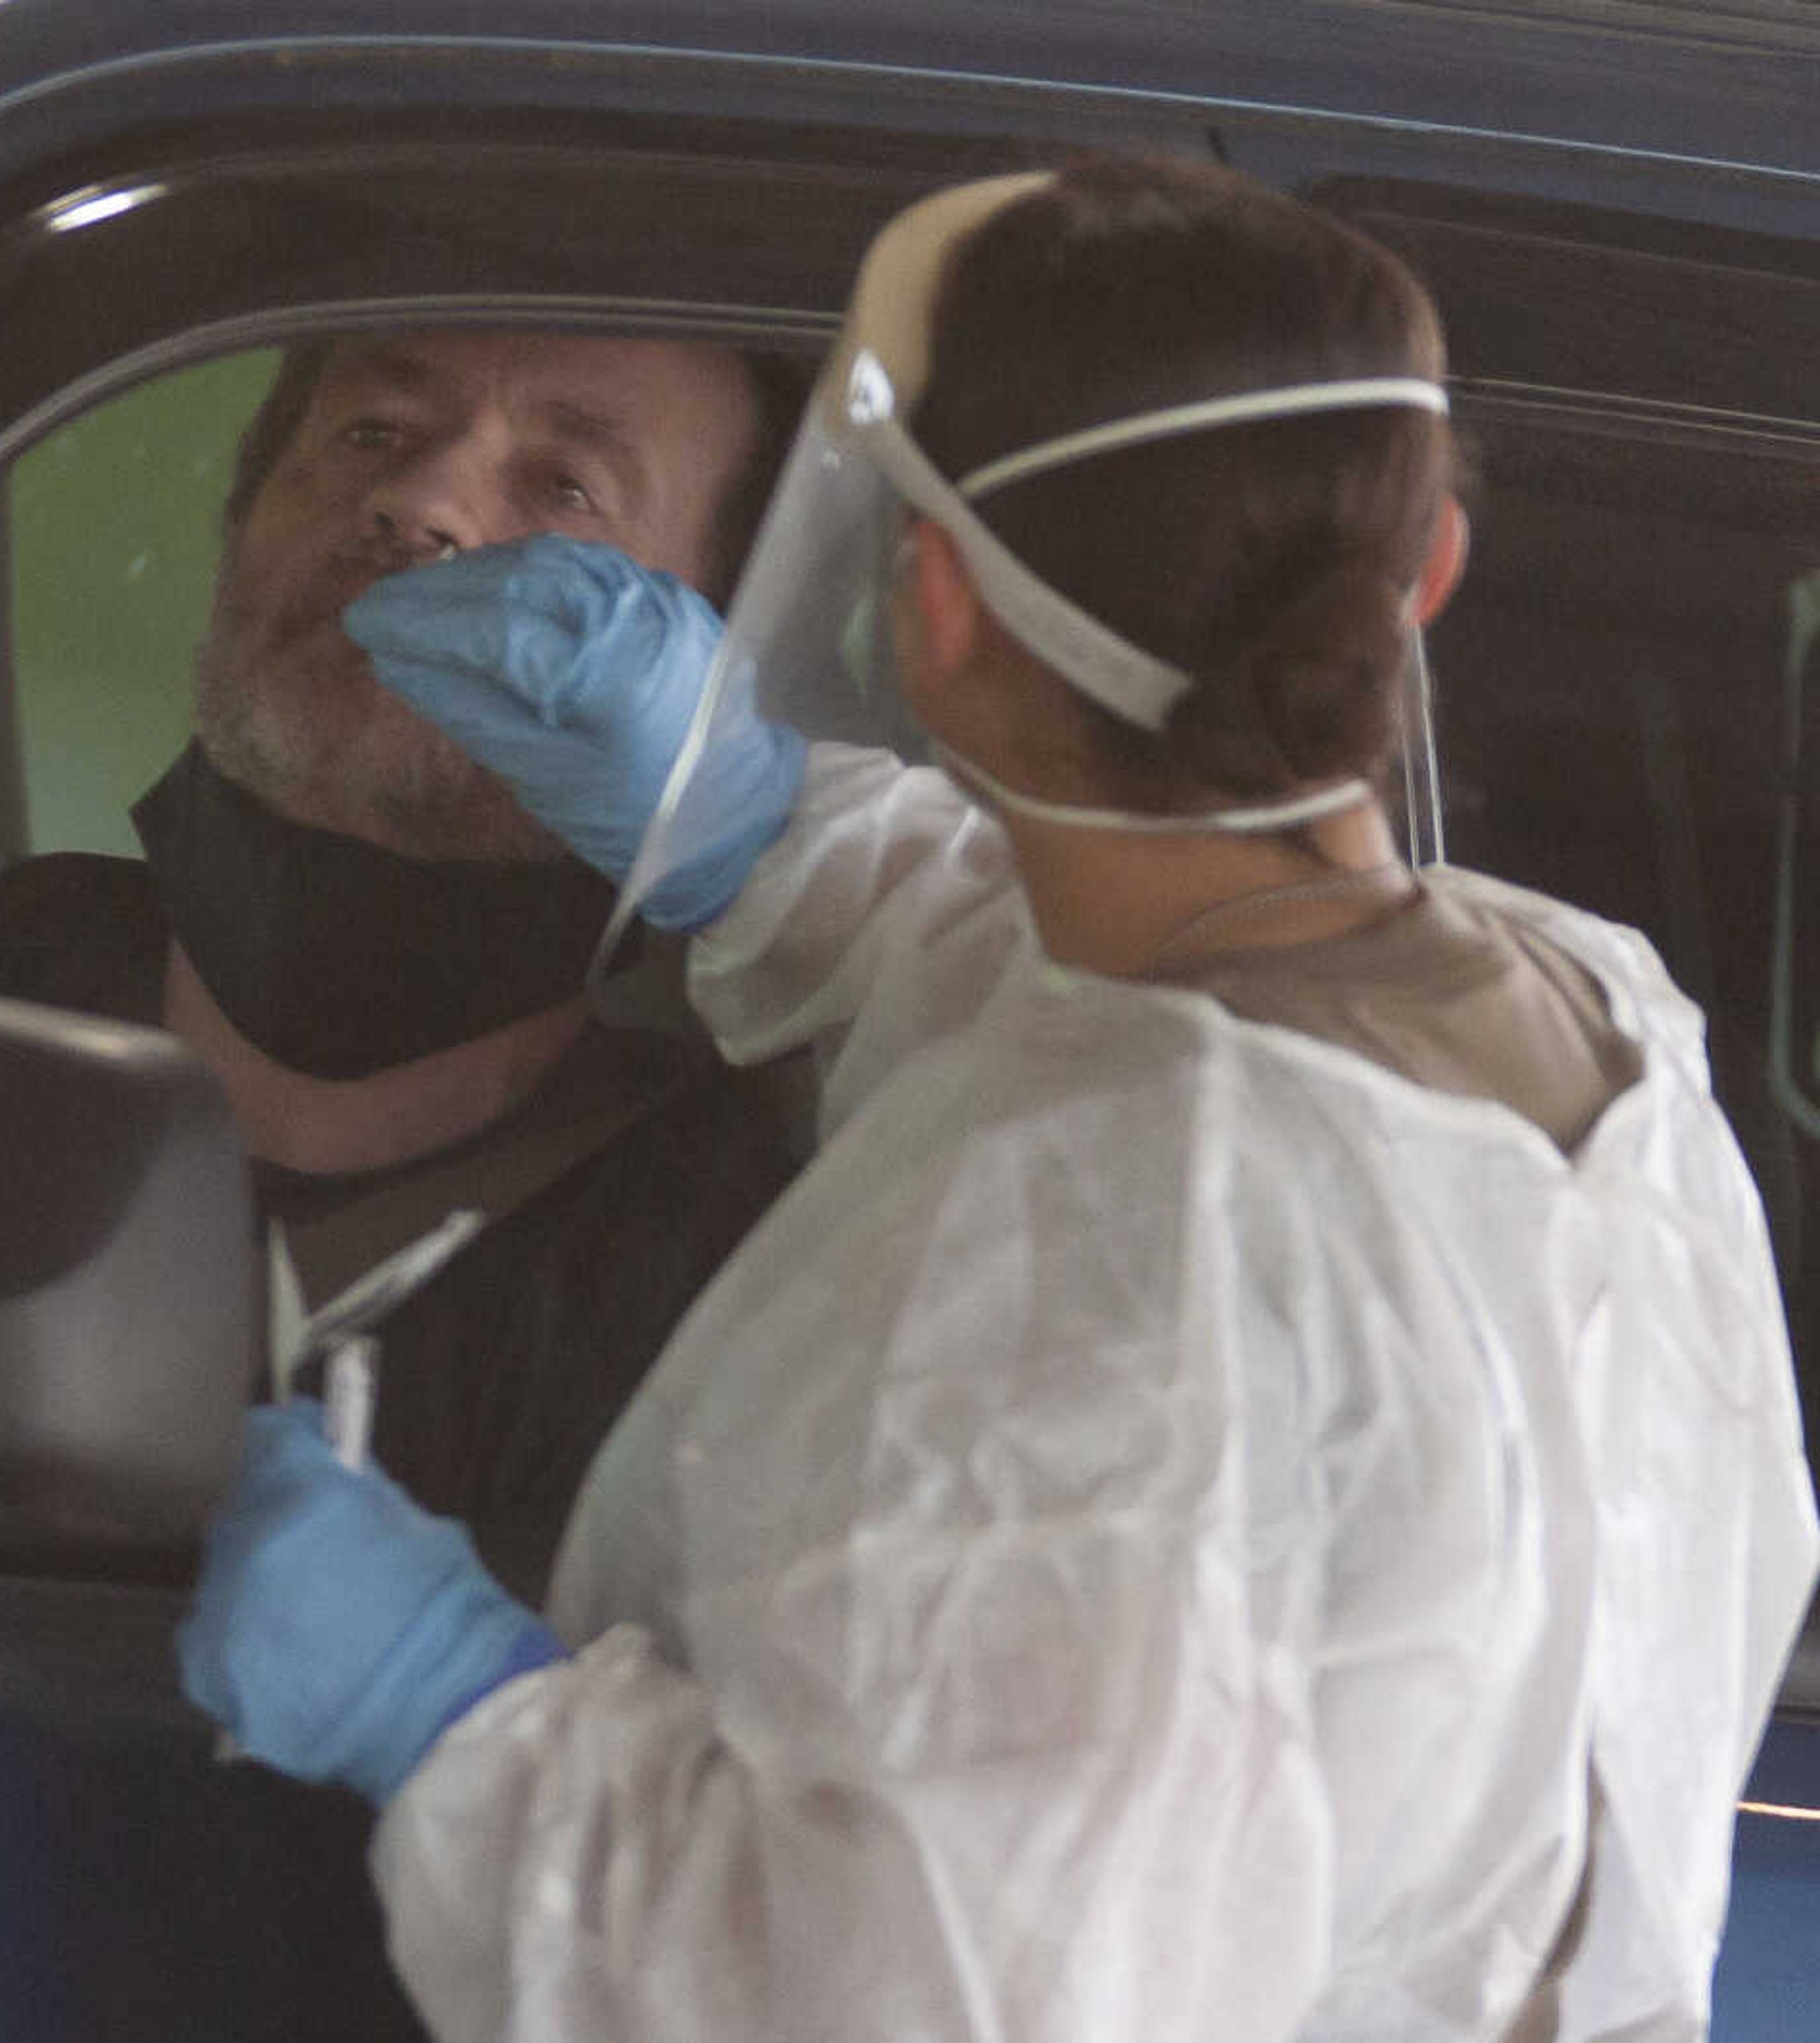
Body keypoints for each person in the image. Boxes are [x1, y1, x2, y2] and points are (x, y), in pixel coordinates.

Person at [176, 156, 1819, 2041]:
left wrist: (452, 1714)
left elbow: (906, 2002)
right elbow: (1157, 987)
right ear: (1425, 573)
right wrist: (753, 838)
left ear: (933, 609)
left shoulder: (1108, 1220)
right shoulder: (1605, 1024)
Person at [0, 327, 809, 1589]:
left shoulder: (764, 1290)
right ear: (240, 523)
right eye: (372, 432)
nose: (419, 499)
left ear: (713, 663)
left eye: (564, 489)